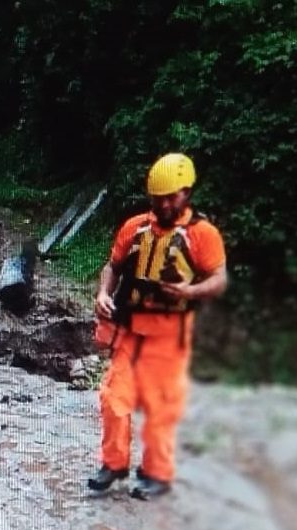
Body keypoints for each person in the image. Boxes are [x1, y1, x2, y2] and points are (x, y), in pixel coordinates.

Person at [88, 153, 228, 500]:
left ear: (186, 192)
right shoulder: (134, 227)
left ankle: (157, 473)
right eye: (158, 197)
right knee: (113, 397)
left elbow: (218, 280)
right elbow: (113, 267)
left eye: (171, 196)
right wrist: (103, 293)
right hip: (131, 330)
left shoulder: (202, 235)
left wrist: (190, 290)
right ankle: (114, 464)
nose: (164, 203)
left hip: (170, 335)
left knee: (160, 408)